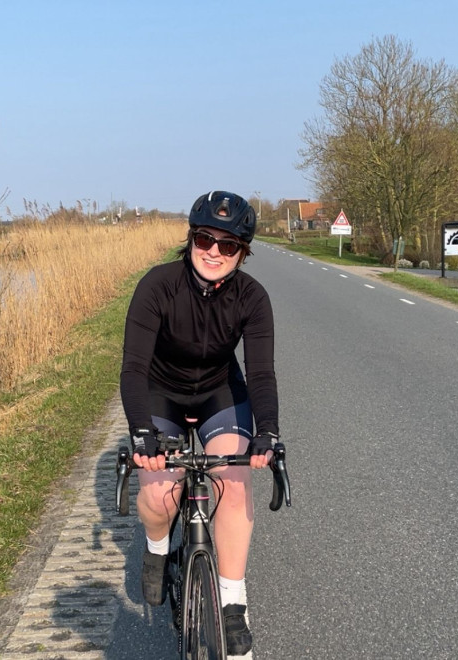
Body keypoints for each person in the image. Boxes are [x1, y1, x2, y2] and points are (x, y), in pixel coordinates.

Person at [120, 190, 279, 656]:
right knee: (160, 492)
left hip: (219, 392)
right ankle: (156, 549)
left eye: (228, 245)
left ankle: (232, 603)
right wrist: (142, 433)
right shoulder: (158, 285)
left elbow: (261, 373)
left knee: (233, 481)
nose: (214, 251)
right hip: (161, 392)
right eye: (205, 239)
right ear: (190, 239)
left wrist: (267, 431)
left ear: (242, 253)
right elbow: (133, 368)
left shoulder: (253, 297)